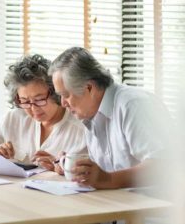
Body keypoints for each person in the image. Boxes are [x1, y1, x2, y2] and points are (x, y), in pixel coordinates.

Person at [49, 47, 172, 189]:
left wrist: (106, 179)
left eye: (66, 95)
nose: (63, 103)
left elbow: (162, 166)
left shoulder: (133, 104)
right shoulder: (90, 113)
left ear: (89, 88)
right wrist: (72, 168)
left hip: (153, 205)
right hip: (117, 202)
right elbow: (104, 171)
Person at [0, 54, 86, 171]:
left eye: (40, 99)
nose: (33, 108)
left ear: (55, 93)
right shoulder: (15, 117)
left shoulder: (81, 129)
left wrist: (61, 166)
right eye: (25, 101)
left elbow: (91, 173)